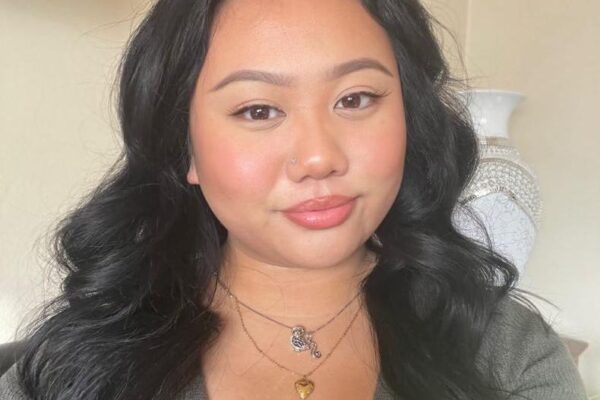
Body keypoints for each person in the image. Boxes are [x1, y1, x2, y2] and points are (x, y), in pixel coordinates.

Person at [0, 0, 588, 399]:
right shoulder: (72, 367)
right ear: (186, 151)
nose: (318, 158)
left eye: (356, 99)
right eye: (259, 110)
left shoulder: (506, 353)